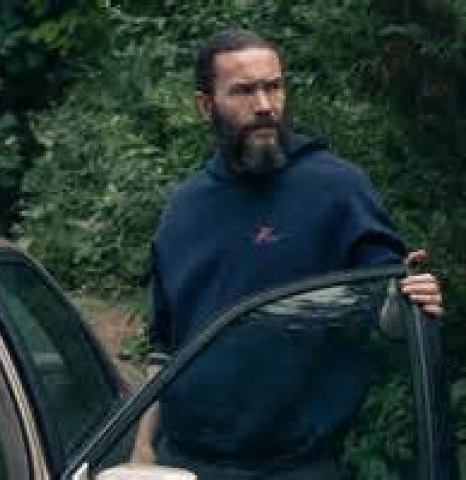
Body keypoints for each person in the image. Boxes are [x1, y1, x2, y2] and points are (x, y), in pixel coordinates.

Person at [132, 28, 443, 479]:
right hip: (186, 463)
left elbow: (386, 312)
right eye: (243, 91)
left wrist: (409, 300)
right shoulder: (184, 209)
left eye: (274, 87)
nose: (264, 105)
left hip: (298, 466)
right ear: (206, 105)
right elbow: (164, 350)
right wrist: (143, 451)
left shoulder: (336, 190)